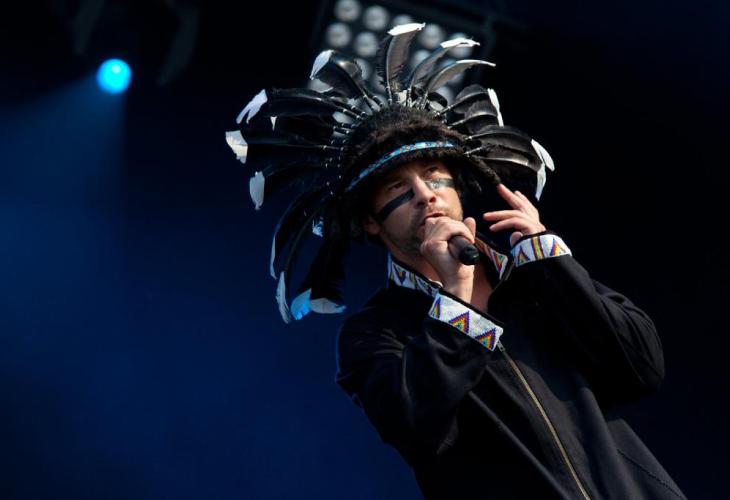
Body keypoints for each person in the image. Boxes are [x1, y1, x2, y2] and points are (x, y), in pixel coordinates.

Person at [225, 22, 686, 499]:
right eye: (398, 188)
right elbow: (416, 426)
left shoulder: (536, 280)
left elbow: (640, 367)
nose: (425, 195)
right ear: (371, 222)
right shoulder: (376, 332)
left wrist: (550, 256)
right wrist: (456, 299)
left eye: (434, 175)